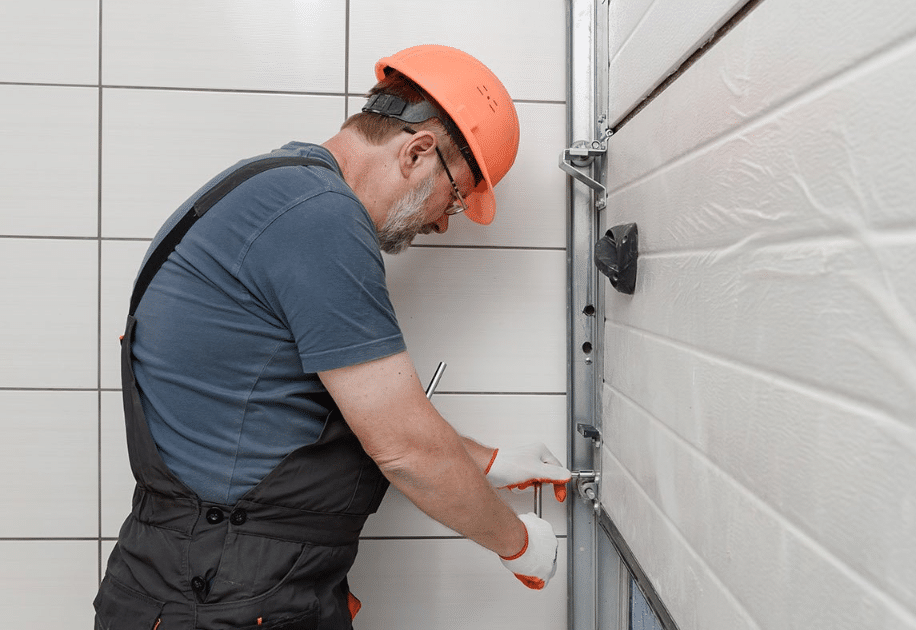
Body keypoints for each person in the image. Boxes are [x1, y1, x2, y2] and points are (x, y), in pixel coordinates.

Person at [94, 45, 571, 630]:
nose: (444, 220)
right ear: (418, 152)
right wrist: (519, 542)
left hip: (210, 580)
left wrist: (491, 463)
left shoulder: (275, 189)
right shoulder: (320, 219)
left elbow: (299, 411)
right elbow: (405, 449)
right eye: (455, 195)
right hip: (222, 595)